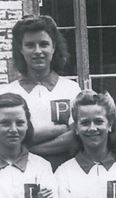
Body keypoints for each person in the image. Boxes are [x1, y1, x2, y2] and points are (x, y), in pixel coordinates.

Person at [1, 15, 81, 169]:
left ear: (53, 47)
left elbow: (75, 137)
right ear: (20, 49)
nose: (38, 51)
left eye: (44, 44)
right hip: (20, 173)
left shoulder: (71, 89)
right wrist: (58, 129)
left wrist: (27, 150)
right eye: (30, 45)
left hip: (64, 169)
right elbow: (5, 138)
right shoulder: (6, 93)